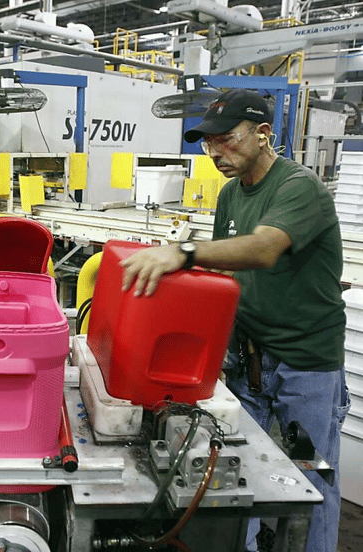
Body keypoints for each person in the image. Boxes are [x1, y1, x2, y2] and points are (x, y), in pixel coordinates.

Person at [120, 89, 350, 552]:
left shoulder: (297, 186)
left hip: (305, 364)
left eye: (226, 140)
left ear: (263, 134)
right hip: (250, 361)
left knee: (310, 485)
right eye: (208, 144)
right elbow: (223, 272)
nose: (214, 153)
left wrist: (181, 252)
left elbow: (262, 250)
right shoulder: (229, 195)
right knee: (239, 477)